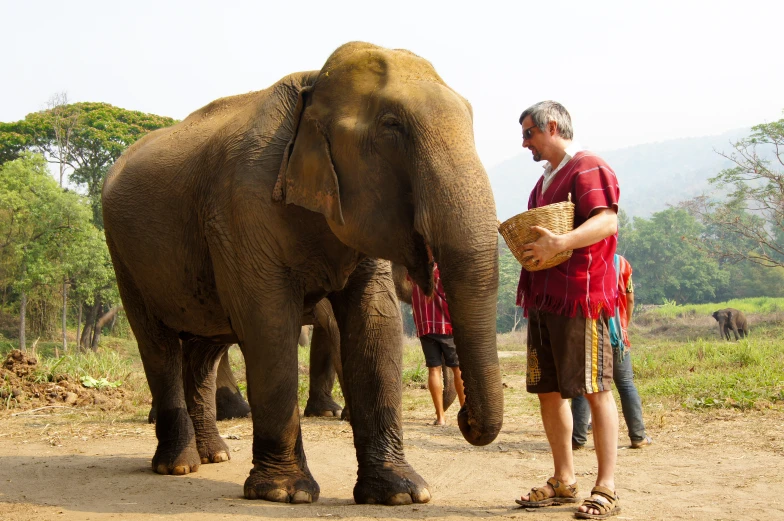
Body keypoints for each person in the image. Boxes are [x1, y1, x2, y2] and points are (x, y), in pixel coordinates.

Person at [512, 101, 622, 519]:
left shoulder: (588, 167)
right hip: (546, 298)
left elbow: (608, 221)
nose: (525, 144)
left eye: (529, 134)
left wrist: (561, 244)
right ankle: (564, 479)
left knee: (594, 388)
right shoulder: (542, 184)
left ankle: (606, 486)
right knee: (548, 390)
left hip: (581, 296)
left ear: (552, 126)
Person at [572, 254, 653, 450]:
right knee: (625, 384)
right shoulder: (621, 263)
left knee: (583, 386)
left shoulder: (579, 260)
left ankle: (577, 439)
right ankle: (638, 436)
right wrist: (623, 325)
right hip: (615, 333)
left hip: (586, 333)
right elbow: (630, 298)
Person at [409, 263, 466, 426]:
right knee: (457, 368)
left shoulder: (415, 268)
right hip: (446, 324)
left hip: (424, 325)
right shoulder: (443, 266)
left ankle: (440, 417)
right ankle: (465, 411)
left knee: (434, 369)